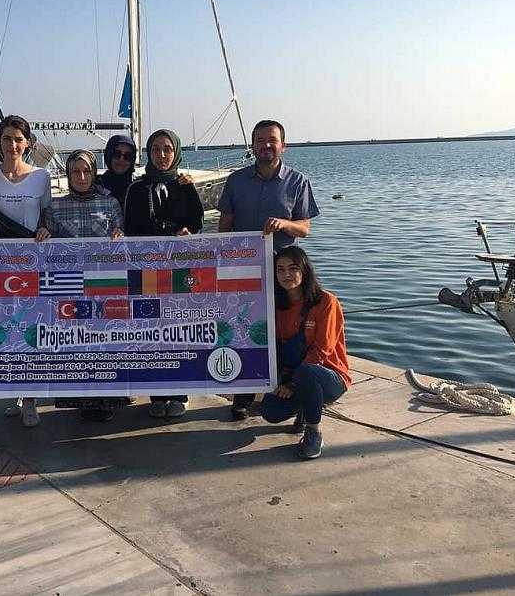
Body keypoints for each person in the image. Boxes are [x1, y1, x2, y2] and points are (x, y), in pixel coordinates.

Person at [218, 119, 320, 420]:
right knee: (244, 330)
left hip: (284, 274)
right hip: (244, 271)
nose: (266, 145)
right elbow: (224, 227)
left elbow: (305, 228)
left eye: (272, 140)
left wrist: (284, 223)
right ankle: (244, 393)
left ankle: (294, 392)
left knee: (289, 334)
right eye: (260, 140)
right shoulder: (235, 181)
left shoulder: (298, 181)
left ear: (282, 145)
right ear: (252, 146)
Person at [0, 115, 51, 428]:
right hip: (2, 266)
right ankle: (16, 390)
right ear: (0, 141)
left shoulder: (41, 177)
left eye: (18, 139)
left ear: (27, 143)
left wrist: (45, 230)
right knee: (5, 327)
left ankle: (31, 398)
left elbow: (46, 217)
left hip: (33, 263)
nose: (13, 145)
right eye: (7, 139)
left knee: (31, 326)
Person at [39, 149, 126, 421]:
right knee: (77, 343)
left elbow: (123, 237)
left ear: (94, 172)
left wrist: (120, 234)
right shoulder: (54, 207)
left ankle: (108, 400)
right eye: (75, 171)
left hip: (105, 286)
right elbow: (46, 246)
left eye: (86, 171)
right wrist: (43, 234)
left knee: (106, 341)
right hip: (71, 288)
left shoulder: (110, 203)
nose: (81, 176)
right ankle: (81, 400)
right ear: (68, 174)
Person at [124, 129, 204, 418]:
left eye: (167, 149)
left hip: (179, 269)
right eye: (156, 149)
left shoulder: (185, 185)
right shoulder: (137, 188)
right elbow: (131, 228)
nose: (161, 155)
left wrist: (187, 232)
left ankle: (179, 393)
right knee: (151, 329)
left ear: (176, 152)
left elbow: (197, 221)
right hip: (146, 269)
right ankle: (157, 393)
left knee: (177, 328)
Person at [262, 246, 350, 459]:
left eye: (293, 268)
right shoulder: (276, 305)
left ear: (305, 270)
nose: (286, 275)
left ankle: (313, 431)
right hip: (294, 373)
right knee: (270, 412)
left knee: (307, 373)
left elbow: (323, 350)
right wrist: (282, 381)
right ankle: (306, 407)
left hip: (329, 376)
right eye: (280, 269)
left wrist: (292, 384)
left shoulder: (326, 301)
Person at [96, 134, 137, 207]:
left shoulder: (138, 187)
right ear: (109, 155)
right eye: (117, 154)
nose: (121, 159)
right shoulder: (97, 186)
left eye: (128, 156)